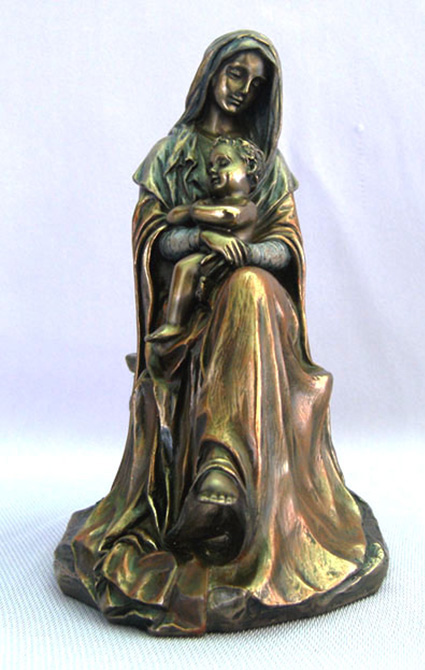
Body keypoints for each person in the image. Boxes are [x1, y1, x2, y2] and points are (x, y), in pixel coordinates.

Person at [55, 31, 388, 636]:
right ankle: (209, 485)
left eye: (256, 85)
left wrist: (248, 256)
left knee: (252, 288)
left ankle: (224, 477)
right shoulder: (171, 154)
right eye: (237, 74)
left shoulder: (266, 164)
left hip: (259, 322)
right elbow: (152, 239)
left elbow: (287, 249)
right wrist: (202, 238)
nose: (243, 91)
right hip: (191, 322)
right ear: (211, 72)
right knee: (233, 293)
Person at [146, 136, 265, 343]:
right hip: (207, 256)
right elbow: (172, 216)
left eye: (223, 163)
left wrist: (193, 212)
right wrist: (195, 212)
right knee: (184, 266)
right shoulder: (207, 203)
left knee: (196, 269)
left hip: (229, 260)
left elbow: (228, 216)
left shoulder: (247, 207)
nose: (213, 170)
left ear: (250, 171)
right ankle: (174, 324)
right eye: (211, 166)